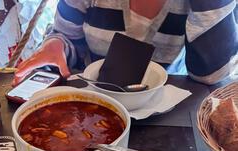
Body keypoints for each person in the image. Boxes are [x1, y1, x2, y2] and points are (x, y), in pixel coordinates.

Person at [13, 0, 238, 86]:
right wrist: (57, 44)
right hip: (93, 101)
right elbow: (67, 38)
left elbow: (211, 76)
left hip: (166, 115)